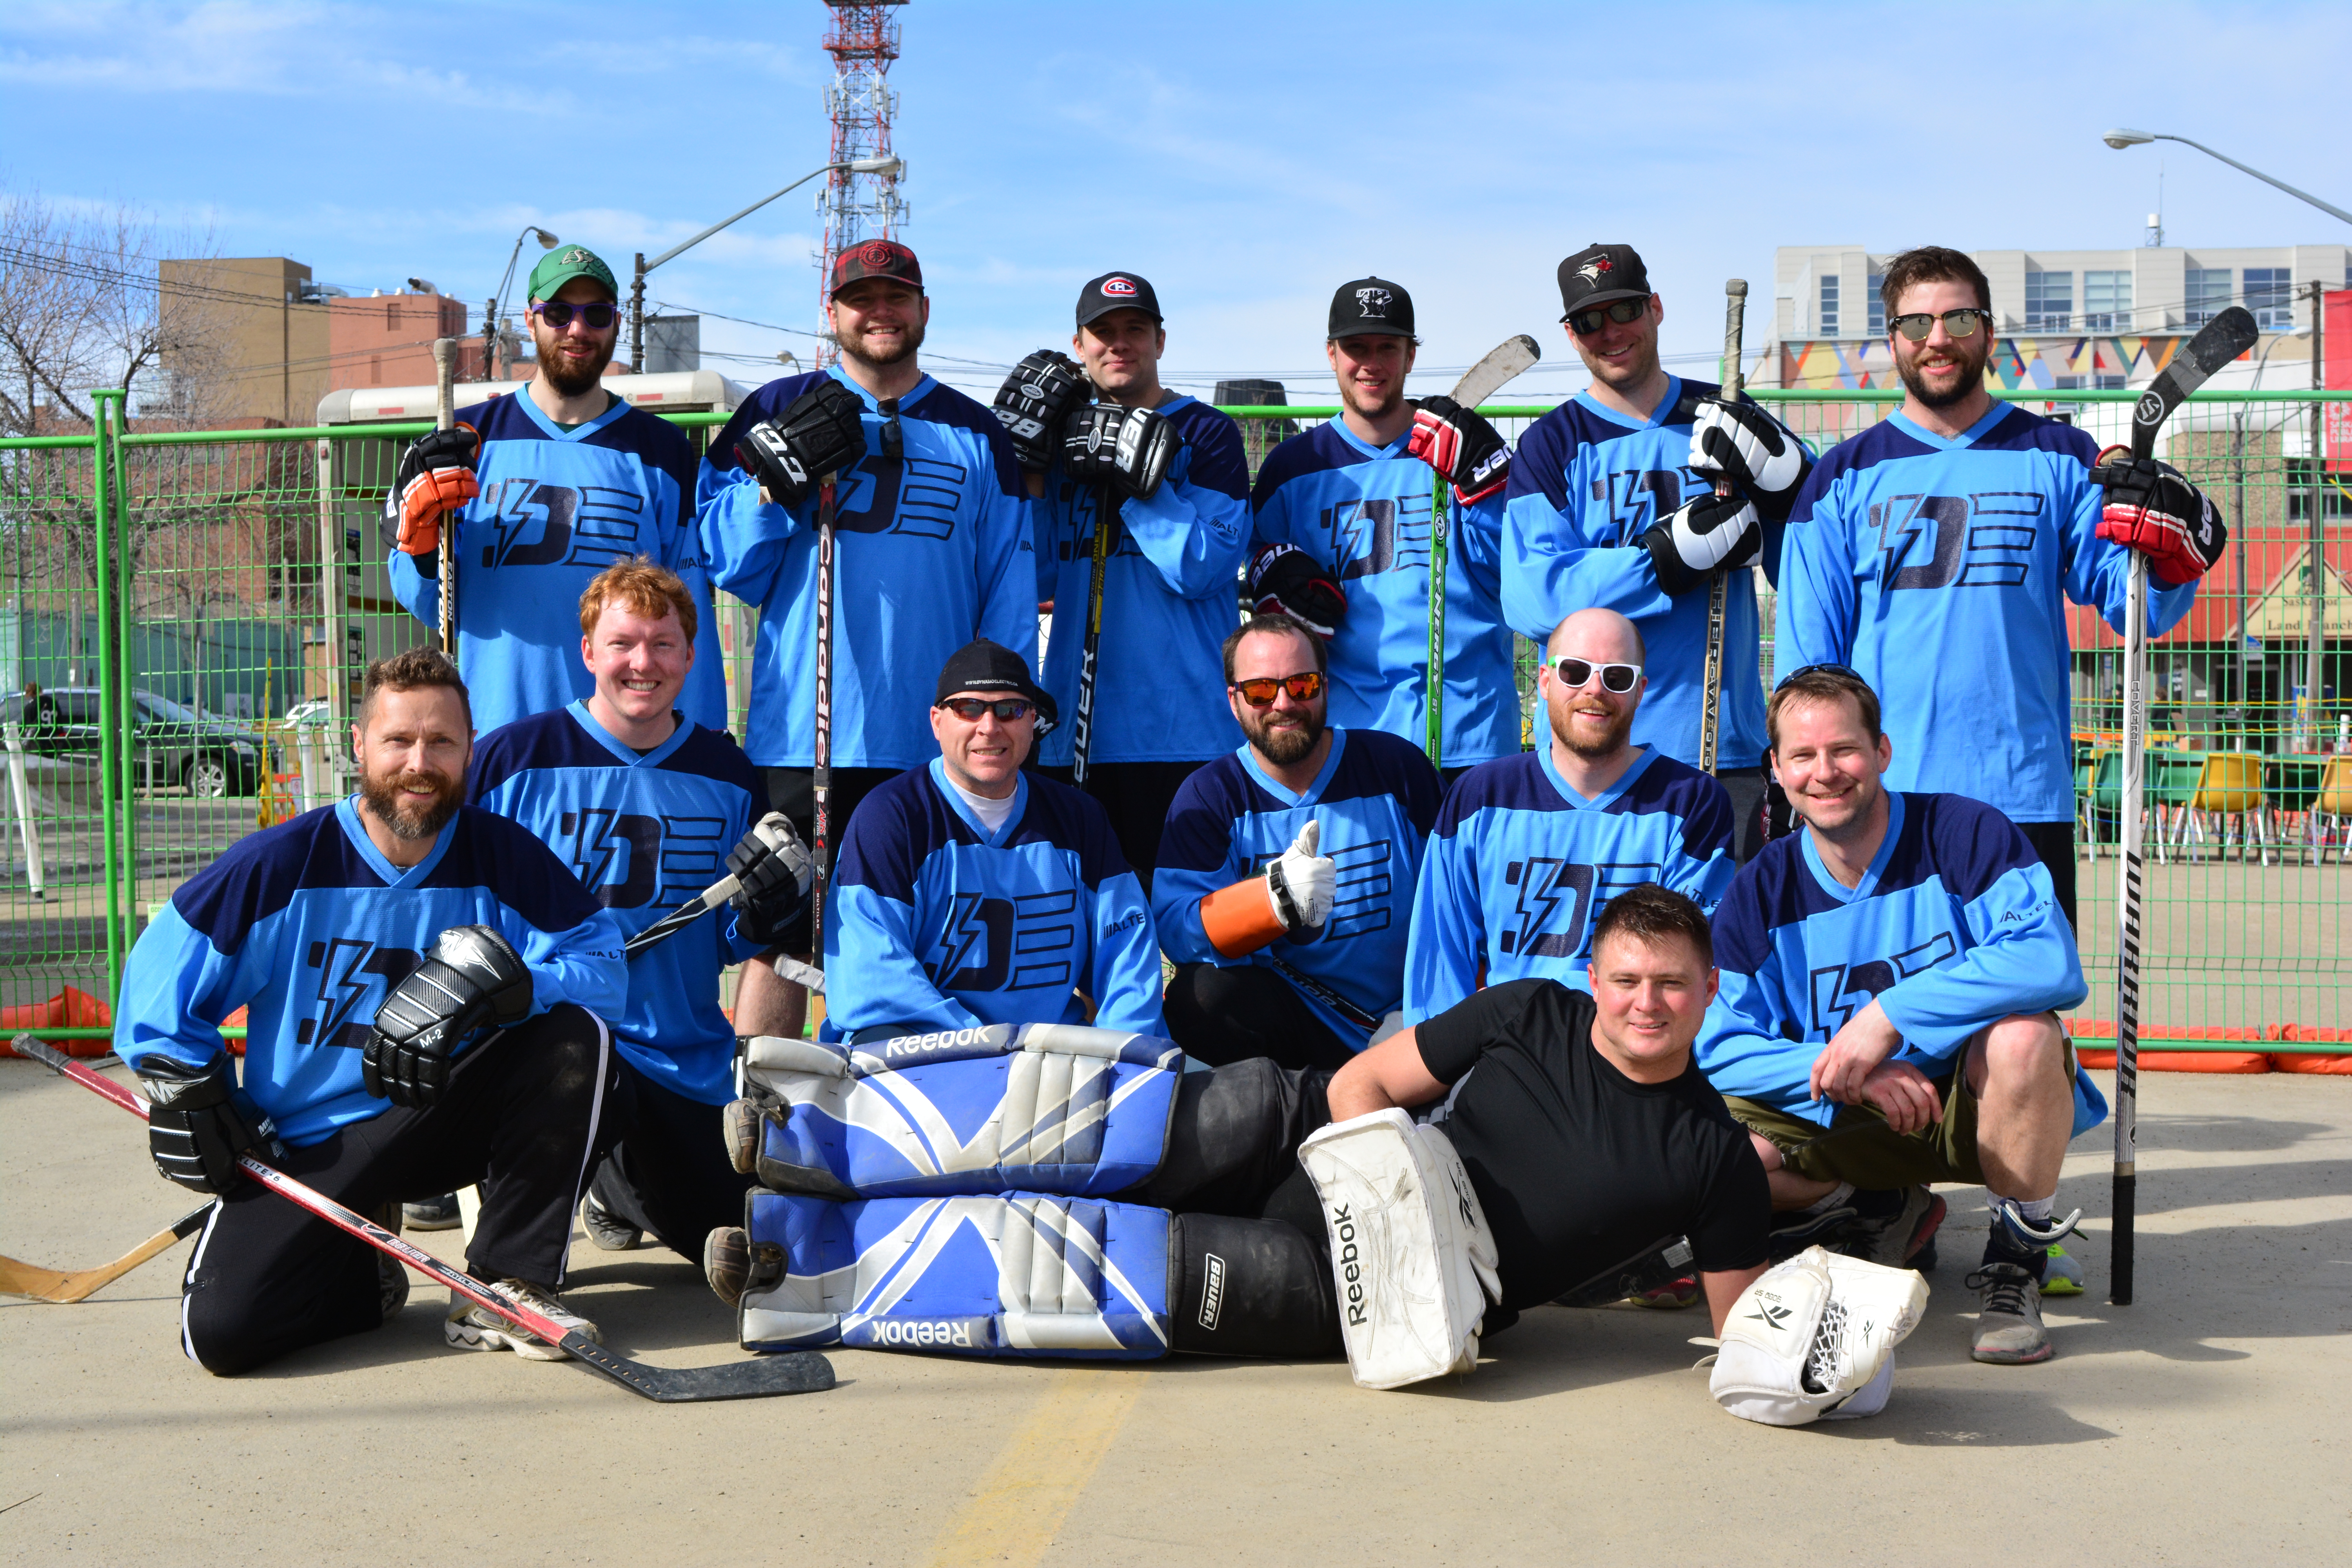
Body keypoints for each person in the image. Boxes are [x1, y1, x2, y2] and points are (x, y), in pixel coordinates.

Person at [713, 885, 1771, 1366]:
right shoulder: (1532, 1011)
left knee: (1099, 1269)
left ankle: (803, 1265)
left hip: (1389, 1287)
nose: (1647, 1002)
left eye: (1671, 985)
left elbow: (1744, 1337)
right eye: (1628, 979)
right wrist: (1381, 1169)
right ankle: (818, 1129)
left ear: (1710, 988)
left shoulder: (1715, 1155)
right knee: (1100, 1125)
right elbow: (1365, 1081)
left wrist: (1828, 1352)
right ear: (1596, 976)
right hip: (1326, 1137)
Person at [109, 649, 627, 1375]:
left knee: (578, 1039)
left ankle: (506, 1283)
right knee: (223, 1335)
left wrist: (519, 987)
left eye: (442, 742)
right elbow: (153, 996)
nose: (421, 762)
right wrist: (199, 1094)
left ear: (469, 750)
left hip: (446, 1119)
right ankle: (359, 1272)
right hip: (314, 1145)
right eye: (399, 741)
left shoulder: (504, 854)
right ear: (359, 746)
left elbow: (604, 970)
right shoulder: (281, 864)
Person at [1774, 245, 2226, 931]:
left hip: (2022, 798)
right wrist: (1811, 794)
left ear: (1989, 332)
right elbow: (1808, 671)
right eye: (1915, 324)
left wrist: (2170, 556)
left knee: (2023, 1027)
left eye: (1959, 320)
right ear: (1891, 340)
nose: (1937, 341)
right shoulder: (1839, 478)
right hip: (1882, 806)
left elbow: (2137, 610)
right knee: (1884, 1025)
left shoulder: (2064, 458)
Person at [1694, 665, 2103, 1366]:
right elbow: (1718, 1042)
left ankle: (2016, 1260)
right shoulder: (1761, 886)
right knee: (1719, 1163)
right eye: (1803, 756)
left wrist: (1891, 1016)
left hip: (1964, 1108)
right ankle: (1873, 1206)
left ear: (1882, 751)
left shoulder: (1963, 833)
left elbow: (2050, 961)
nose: (1826, 772)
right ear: (1777, 769)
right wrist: (1846, 1070)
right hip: (1846, 1114)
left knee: (2026, 1037)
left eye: (1844, 751)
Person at [700, 240, 1038, 1037]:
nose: (879, 312)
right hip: (805, 732)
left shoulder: (977, 433)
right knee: (782, 931)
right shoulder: (775, 406)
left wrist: (1009, 714)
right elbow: (725, 561)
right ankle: (764, 1113)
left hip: (940, 736)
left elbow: (1008, 592)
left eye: (897, 297)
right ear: (833, 312)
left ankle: (907, 1108)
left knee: (927, 927)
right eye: (862, 298)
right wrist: (773, 483)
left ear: (923, 309)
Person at [466, 560, 810, 1263]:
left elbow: (730, 940)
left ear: (690, 656)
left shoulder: (726, 774)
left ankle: (614, 1186)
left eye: (662, 644)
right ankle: (515, 1255)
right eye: (623, 643)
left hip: (678, 1061)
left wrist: (768, 908)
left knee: (737, 1236)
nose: (642, 663)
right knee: (569, 1066)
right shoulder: (510, 762)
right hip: (552, 1048)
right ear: (589, 651)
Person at [1500, 244, 1815, 857]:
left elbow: (1811, 567)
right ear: (1571, 334)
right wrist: (1662, 560)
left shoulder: (1727, 419)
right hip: (1591, 757)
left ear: (1656, 308)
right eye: (1589, 321)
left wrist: (1793, 491)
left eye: (1624, 311)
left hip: (1722, 752)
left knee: (1729, 946)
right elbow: (1533, 597)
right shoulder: (1551, 444)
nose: (1610, 332)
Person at [385, 244, 728, 735]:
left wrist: (703, 738)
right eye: (559, 313)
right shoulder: (465, 442)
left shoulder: (662, 450)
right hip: (490, 738)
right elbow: (427, 601)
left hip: (624, 744)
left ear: (617, 323)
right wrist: (419, 547)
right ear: (530, 320)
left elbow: (688, 618)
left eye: (597, 314)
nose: (578, 329)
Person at [998, 272, 1252, 882]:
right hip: (1073, 733)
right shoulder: (1062, 442)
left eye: (1134, 330)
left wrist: (1139, 481)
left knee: (1196, 928)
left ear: (1160, 341)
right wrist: (1030, 472)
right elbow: (1032, 581)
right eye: (1103, 332)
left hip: (1186, 733)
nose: (1119, 344)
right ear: (1079, 344)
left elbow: (1201, 567)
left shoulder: (1209, 433)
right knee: (1079, 927)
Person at [819, 639, 1165, 1042]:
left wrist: (1119, 1057)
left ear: (1031, 720)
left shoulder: (1079, 818)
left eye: (1010, 709)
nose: (989, 726)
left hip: (1050, 1057)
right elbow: (873, 980)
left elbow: (1127, 956)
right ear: (937, 721)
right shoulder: (891, 818)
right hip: (931, 1052)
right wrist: (986, 1051)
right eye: (968, 708)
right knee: (876, 1036)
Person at [1405, 607, 1737, 1022]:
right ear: (1545, 681)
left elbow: (1678, 965)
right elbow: (1440, 961)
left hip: (1629, 1047)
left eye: (1617, 677)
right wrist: (1443, 1058)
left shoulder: (1692, 804)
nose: (1594, 690)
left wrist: (1530, 1003)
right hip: (1501, 1050)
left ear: (1640, 690)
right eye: (1575, 672)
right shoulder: (1480, 797)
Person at [1246, 277, 1519, 778]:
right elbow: (1255, 570)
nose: (1371, 363)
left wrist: (1490, 484)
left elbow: (1514, 573)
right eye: (1356, 347)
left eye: (1387, 348)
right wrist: (1267, 575)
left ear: (1410, 356)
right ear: (1331, 354)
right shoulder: (1292, 468)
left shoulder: (1455, 449)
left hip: (1470, 734)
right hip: (1352, 740)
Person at [1151, 613, 1441, 1068]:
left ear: (1326, 686)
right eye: (1262, 691)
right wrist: (1268, 904)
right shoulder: (1211, 795)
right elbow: (1176, 925)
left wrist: (1427, 1011)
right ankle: (1280, 1118)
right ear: (1234, 701)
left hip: (1402, 1022)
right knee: (1199, 997)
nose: (1284, 703)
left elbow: (1460, 897)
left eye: (1302, 685)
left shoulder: (1396, 768)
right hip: (1295, 1021)